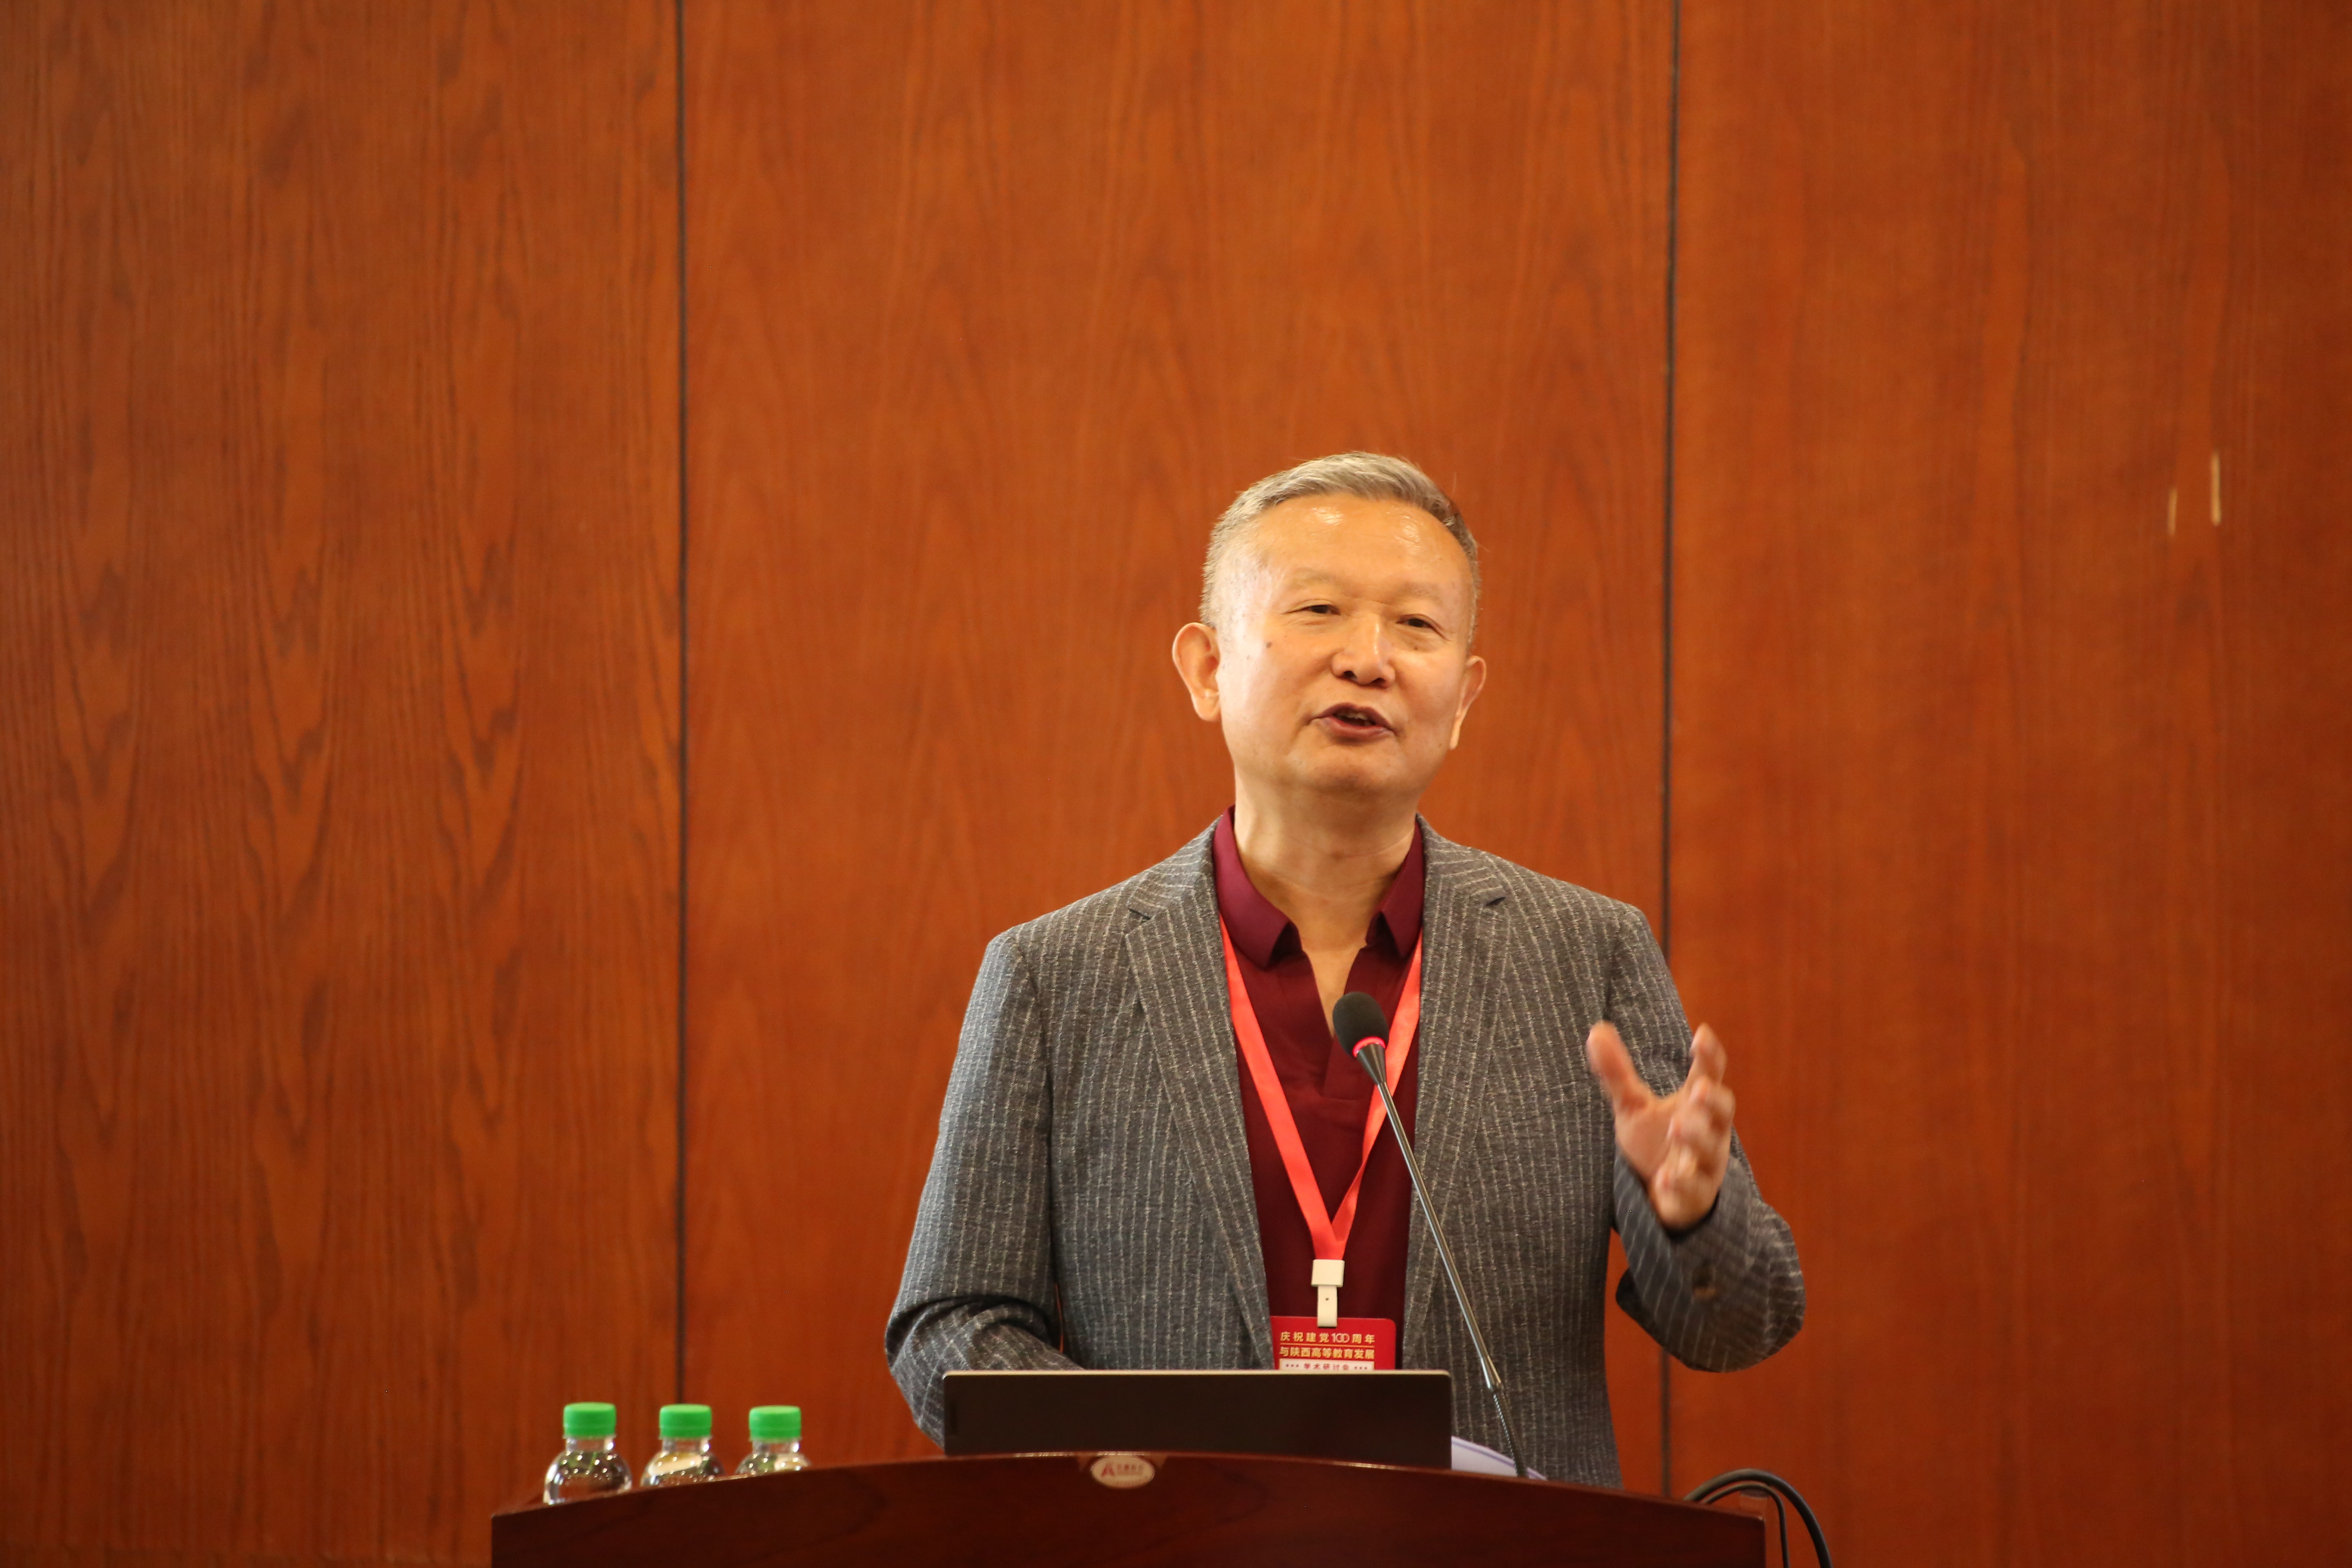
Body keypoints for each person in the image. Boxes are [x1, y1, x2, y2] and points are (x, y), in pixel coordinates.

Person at [886, 453, 1803, 1485]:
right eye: (1319, 610)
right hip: (1176, 1547)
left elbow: (1743, 1325)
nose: (1369, 660)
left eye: (1416, 625)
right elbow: (949, 1326)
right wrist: (1144, 1476)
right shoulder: (1057, 977)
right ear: (1206, 668)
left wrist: (1691, 1213)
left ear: (1465, 696)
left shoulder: (1584, 956)